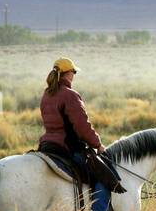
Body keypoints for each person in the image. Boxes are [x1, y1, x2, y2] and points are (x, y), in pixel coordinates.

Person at [38, 58, 125, 194]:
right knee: (103, 179)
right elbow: (83, 127)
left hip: (47, 145)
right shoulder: (70, 95)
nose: (74, 75)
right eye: (74, 72)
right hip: (68, 147)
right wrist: (98, 144)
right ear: (68, 73)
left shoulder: (46, 94)